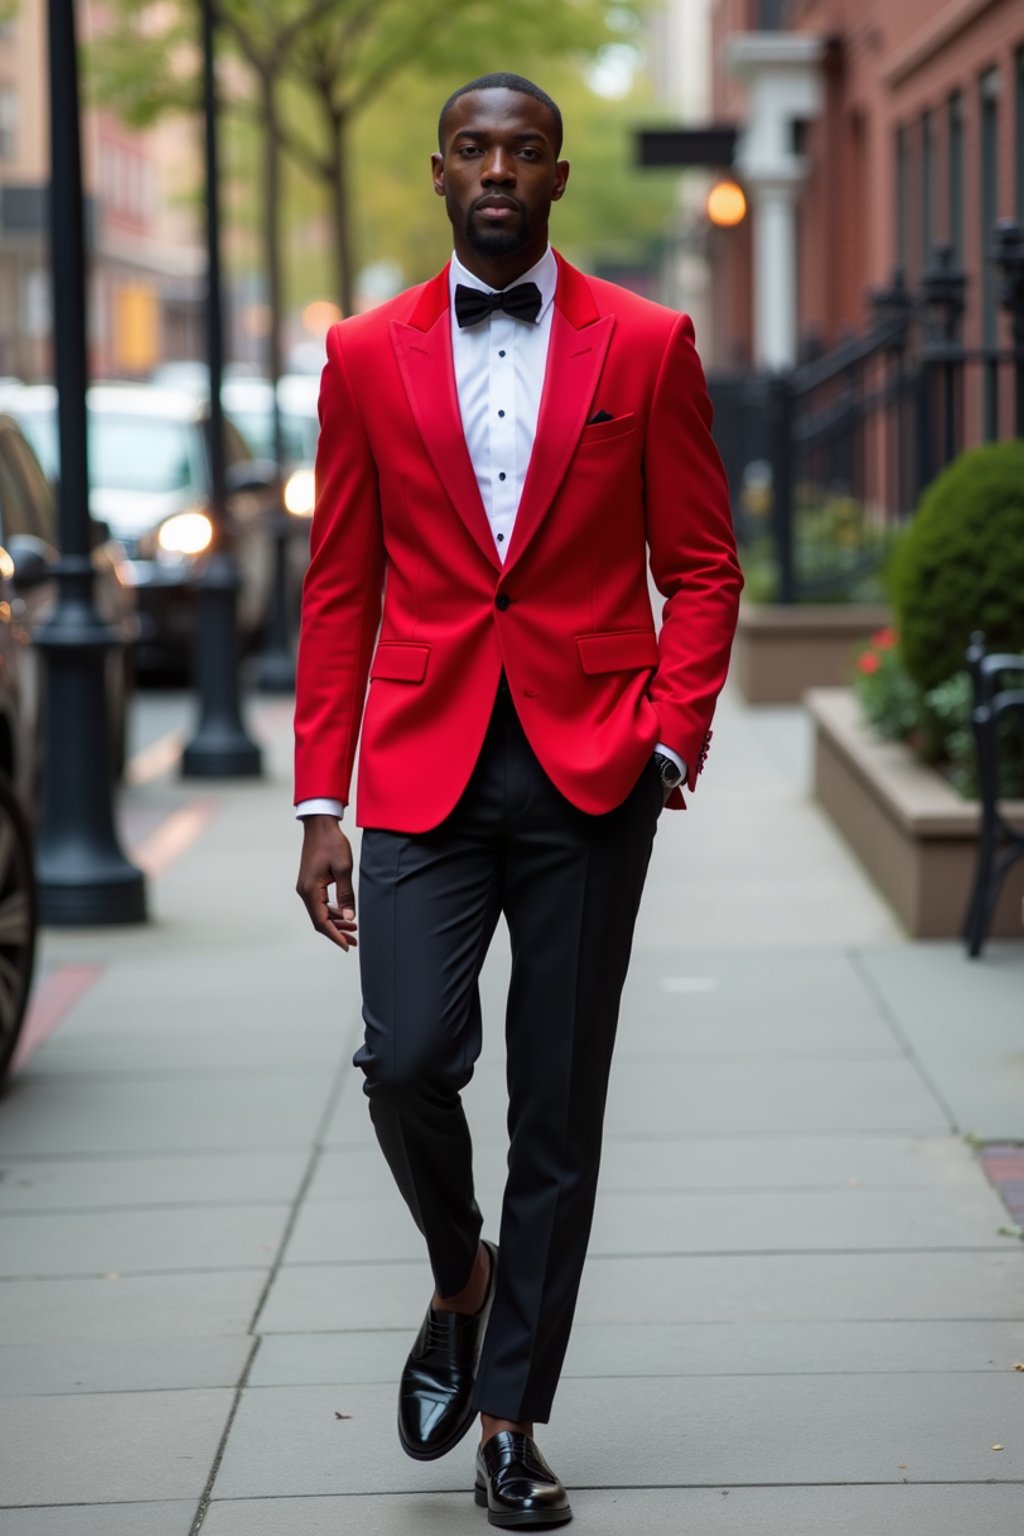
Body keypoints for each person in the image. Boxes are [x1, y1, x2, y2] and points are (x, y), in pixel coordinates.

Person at [294, 71, 742, 1529]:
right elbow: (340, 587)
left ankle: (509, 1420)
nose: (500, 170)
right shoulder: (363, 355)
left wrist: (673, 735)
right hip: (421, 759)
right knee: (406, 1055)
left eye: (525, 151)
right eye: (476, 150)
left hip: (590, 767)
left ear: (557, 176)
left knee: (559, 1107)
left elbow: (704, 563)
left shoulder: (649, 341)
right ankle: (461, 1277)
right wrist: (320, 800)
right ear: (440, 174)